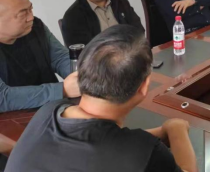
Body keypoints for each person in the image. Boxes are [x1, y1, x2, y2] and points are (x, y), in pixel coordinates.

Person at [5, 25, 197, 172]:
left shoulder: (48, 111)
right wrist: (176, 128)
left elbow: (92, 142)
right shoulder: (142, 153)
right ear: (144, 86)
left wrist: (161, 132)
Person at [0, 0, 80, 113]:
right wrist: (63, 90)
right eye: (23, 14)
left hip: (52, 108)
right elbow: (3, 98)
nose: (31, 17)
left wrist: (84, 76)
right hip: (12, 117)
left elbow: (60, 58)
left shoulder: (36, 27)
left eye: (30, 9)